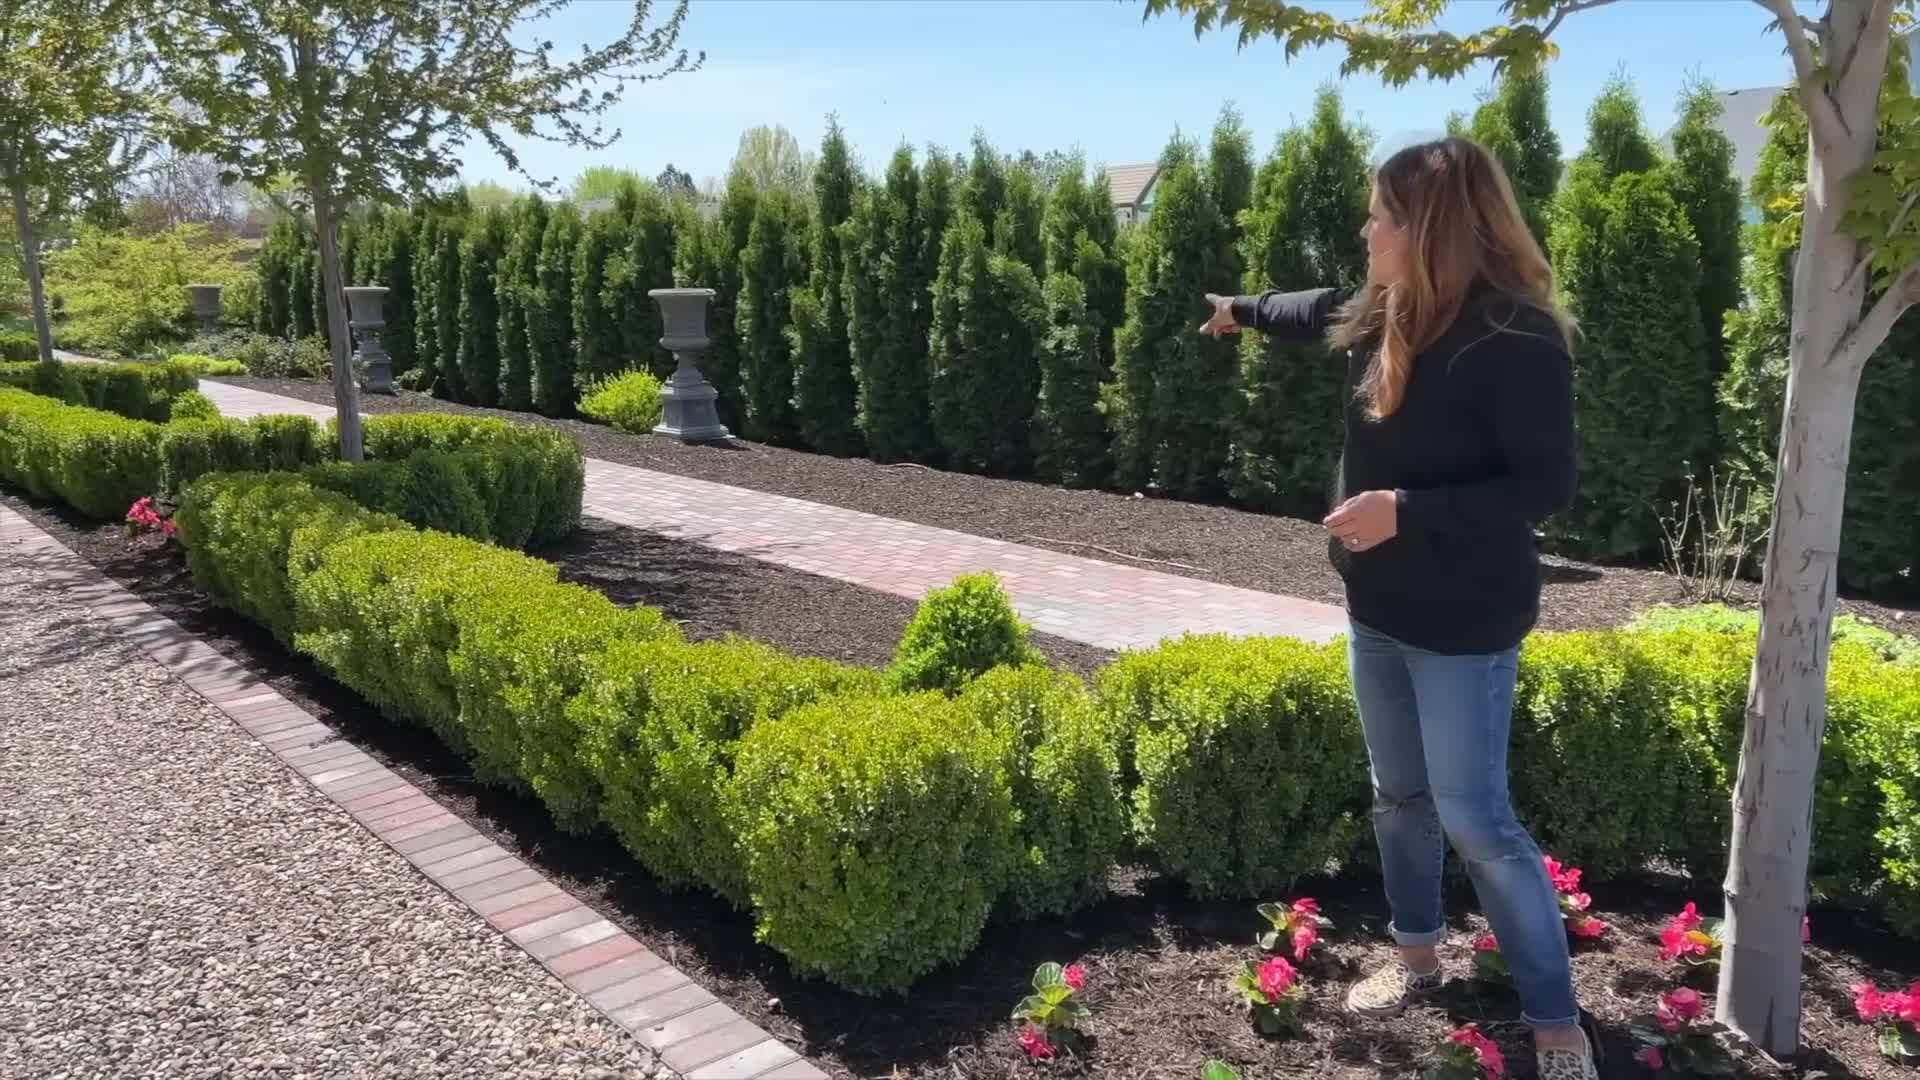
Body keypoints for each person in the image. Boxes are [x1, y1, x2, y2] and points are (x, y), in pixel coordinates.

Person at [1199, 136, 1594, 1080]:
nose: (1366, 227)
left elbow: (1545, 486)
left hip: (1464, 624)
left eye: (1381, 213)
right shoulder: (1386, 311)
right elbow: (1311, 309)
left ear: (1433, 226)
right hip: (1376, 608)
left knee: (1478, 821)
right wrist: (1244, 310)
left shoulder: (1516, 337)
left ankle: (1556, 1021)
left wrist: (1404, 512)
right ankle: (1416, 954)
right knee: (1399, 799)